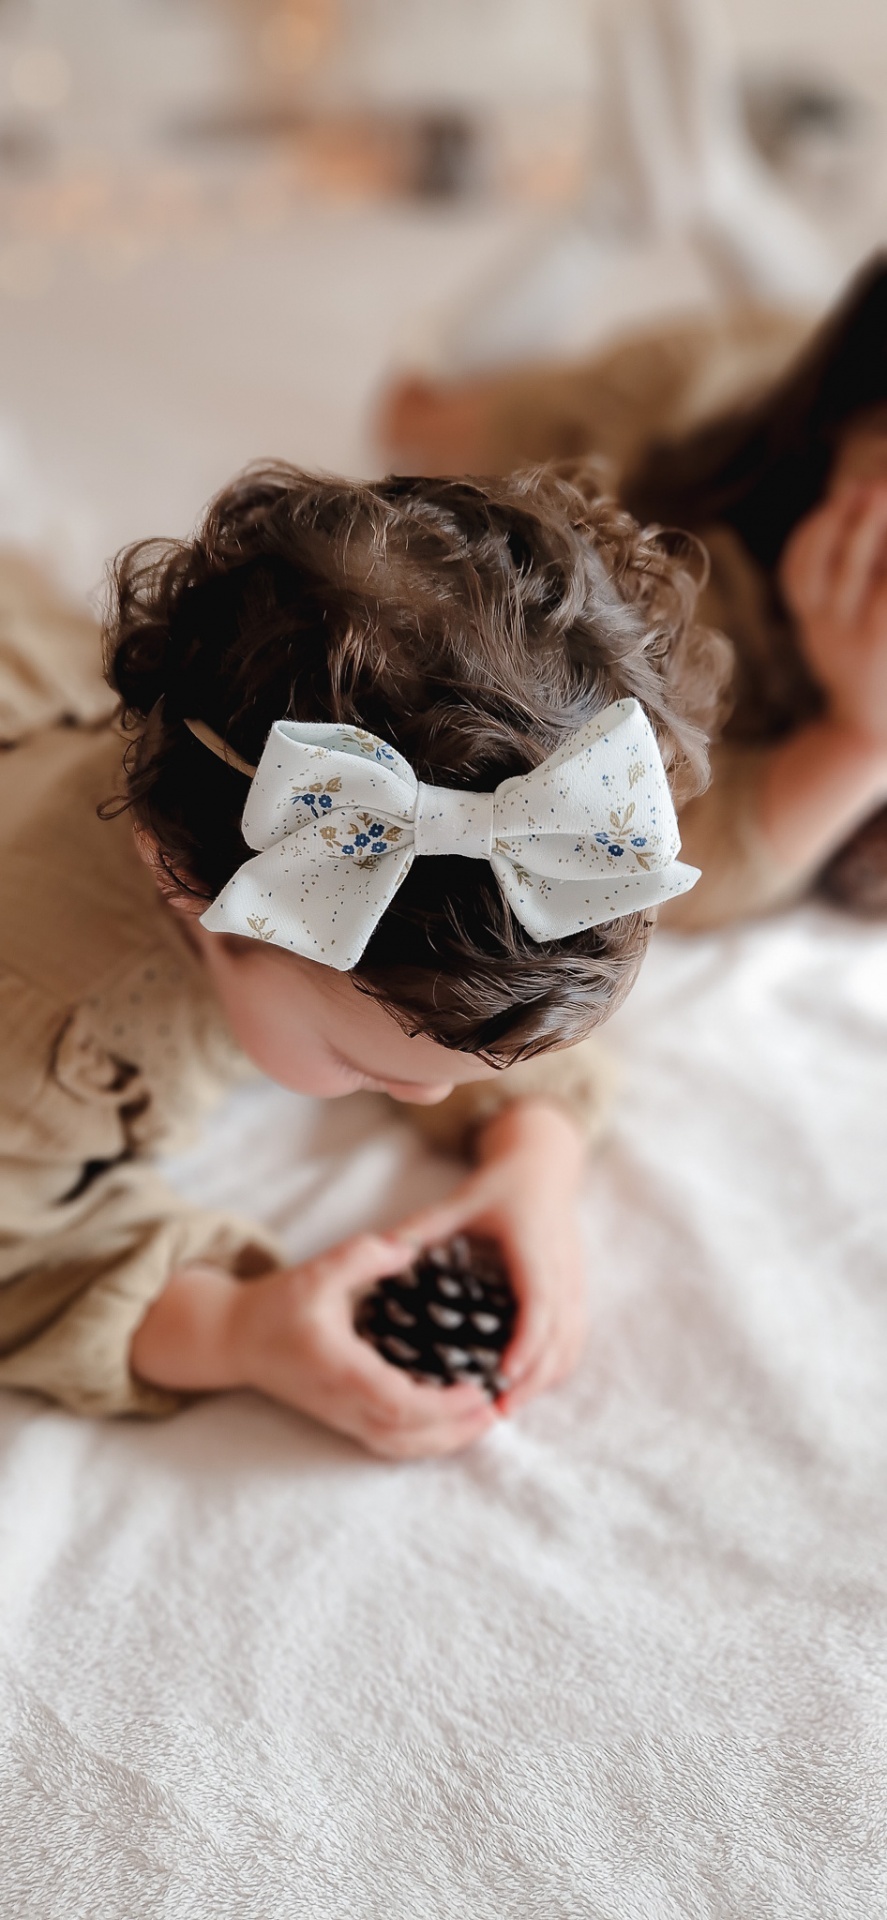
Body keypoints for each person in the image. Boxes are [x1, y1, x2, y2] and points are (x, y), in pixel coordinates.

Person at [0, 461, 726, 1457]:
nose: (422, 1100)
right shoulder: (49, 1014)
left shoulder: (477, 870)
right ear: (186, 883)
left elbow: (483, 1014)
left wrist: (532, 1160)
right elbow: (14, 1258)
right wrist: (235, 1332)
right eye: (369, 1067)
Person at [380, 256, 887, 924]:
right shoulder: (655, 469)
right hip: (673, 430)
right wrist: (860, 733)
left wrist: (861, 735)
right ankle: (612, 223)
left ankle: (724, 212)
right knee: (415, 420)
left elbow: (666, 863)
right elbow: (644, 854)